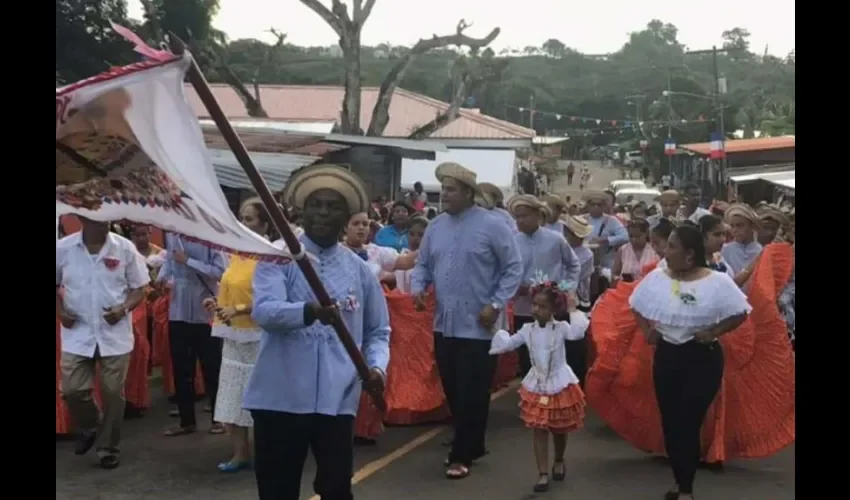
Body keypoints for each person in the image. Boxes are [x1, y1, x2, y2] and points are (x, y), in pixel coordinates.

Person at [245, 164, 390, 500]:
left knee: (337, 488)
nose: (323, 213)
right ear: (303, 211)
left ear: (347, 217)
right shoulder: (278, 257)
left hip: (337, 399)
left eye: (333, 206)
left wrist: (377, 367)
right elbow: (264, 311)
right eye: (316, 205)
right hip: (280, 397)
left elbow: (378, 330)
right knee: (277, 490)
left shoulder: (358, 269)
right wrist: (309, 312)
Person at [411, 162, 522, 480]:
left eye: (451, 189)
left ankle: (461, 453)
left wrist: (496, 303)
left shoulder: (493, 225)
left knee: (473, 390)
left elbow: (513, 267)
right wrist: (419, 288)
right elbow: (422, 264)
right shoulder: (436, 226)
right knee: (453, 388)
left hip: (479, 324)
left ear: (469, 193)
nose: (444, 195)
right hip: (443, 323)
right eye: (443, 189)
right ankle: (469, 441)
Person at [629, 225, 751, 500]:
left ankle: (686, 489)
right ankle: (680, 479)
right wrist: (648, 330)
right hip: (667, 357)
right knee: (671, 423)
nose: (666, 251)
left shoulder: (716, 281)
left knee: (688, 421)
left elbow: (740, 312)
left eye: (672, 246)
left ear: (690, 254)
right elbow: (635, 303)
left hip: (701, 358)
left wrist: (713, 333)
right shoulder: (659, 277)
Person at [56, 218, 150, 469]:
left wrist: (123, 308)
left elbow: (139, 288)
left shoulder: (125, 248)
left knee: (112, 393)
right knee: (72, 390)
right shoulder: (63, 248)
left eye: (109, 217)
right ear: (83, 219)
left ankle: (108, 448)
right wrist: (61, 312)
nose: (106, 222)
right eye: (99, 218)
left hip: (114, 333)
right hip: (78, 333)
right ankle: (89, 426)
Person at [488, 282, 588, 493]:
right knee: (539, 428)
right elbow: (509, 343)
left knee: (559, 428)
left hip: (559, 382)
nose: (536, 310)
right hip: (537, 384)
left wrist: (572, 310)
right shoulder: (526, 330)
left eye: (542, 306)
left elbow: (577, 333)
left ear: (553, 309)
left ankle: (559, 459)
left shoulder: (561, 328)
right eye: (534, 305)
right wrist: (494, 330)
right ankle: (542, 473)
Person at [202, 198, 270, 473]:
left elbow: (271, 302)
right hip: (232, 335)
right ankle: (240, 453)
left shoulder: (269, 257)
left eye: (250, 218)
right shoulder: (235, 253)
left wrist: (239, 309)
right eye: (242, 217)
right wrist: (217, 306)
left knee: (261, 399)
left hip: (259, 336)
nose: (244, 223)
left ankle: (267, 453)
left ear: (265, 224)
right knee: (232, 396)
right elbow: (230, 289)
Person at [342, 210, 417, 444]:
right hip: (344, 318)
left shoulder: (375, 252)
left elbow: (404, 262)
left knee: (371, 369)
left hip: (372, 317)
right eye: (355, 223)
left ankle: (365, 426)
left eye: (365, 224)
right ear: (345, 228)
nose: (361, 228)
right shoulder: (336, 253)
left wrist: (433, 240)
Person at [156, 232, 227, 436]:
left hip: (204, 311)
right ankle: (186, 420)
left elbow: (220, 271)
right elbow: (170, 262)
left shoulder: (209, 238)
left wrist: (189, 261)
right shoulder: (173, 235)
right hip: (178, 311)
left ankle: (218, 419)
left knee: (212, 367)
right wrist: (162, 278)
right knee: (181, 367)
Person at [507, 194, 580, 377]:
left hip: (553, 307)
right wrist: (516, 288)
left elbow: (574, 264)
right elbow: (505, 273)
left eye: (525, 216)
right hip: (524, 308)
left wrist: (563, 288)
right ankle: (532, 399)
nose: (520, 221)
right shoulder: (512, 242)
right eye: (517, 217)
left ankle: (554, 399)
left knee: (554, 354)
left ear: (538, 215)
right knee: (527, 356)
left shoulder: (555, 239)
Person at [612, 219, 659, 283]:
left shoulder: (654, 250)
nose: (634, 240)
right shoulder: (623, 250)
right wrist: (618, 280)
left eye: (638, 236)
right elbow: (615, 273)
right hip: (626, 289)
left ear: (646, 234)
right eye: (631, 236)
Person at [720, 204, 762, 276]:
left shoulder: (760, 250)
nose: (735, 230)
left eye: (740, 225)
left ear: (751, 226)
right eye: (732, 226)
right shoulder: (725, 250)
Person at [394, 216, 429, 293]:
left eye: (420, 235)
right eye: (411, 234)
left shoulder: (430, 258)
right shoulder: (402, 255)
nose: (415, 238)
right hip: (401, 299)